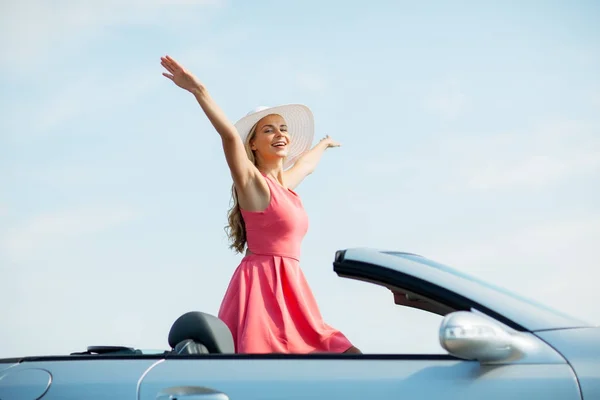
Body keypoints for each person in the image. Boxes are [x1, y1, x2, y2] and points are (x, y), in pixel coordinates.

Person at [160, 55, 361, 354]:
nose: (279, 133)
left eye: (283, 128)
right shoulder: (254, 185)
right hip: (261, 289)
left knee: (341, 352)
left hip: (292, 289)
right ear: (252, 144)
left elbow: (306, 166)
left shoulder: (284, 187)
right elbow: (229, 136)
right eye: (268, 130)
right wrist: (198, 89)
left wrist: (324, 143)